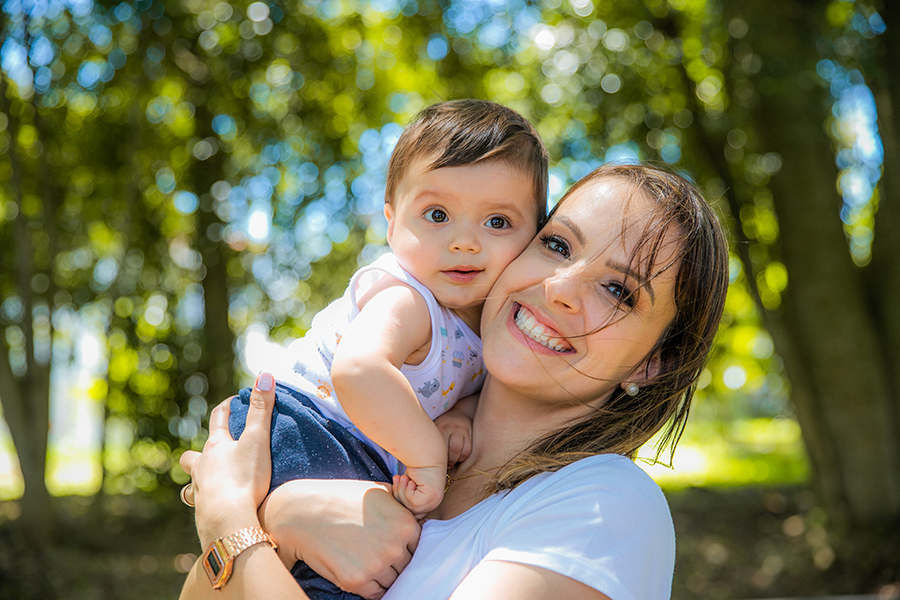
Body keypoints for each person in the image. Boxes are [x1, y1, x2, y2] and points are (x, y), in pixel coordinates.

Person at [179, 162, 729, 600]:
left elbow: (228, 549)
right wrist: (283, 520)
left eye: (618, 291)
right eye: (558, 245)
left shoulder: (604, 506)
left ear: (653, 362)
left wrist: (232, 516)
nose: (560, 287)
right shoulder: (395, 432)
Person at [229, 99, 547, 519]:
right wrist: (428, 452)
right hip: (302, 427)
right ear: (392, 223)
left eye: (497, 222)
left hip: (350, 448)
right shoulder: (407, 297)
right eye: (437, 214)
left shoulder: (495, 327)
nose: (464, 241)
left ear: (537, 234)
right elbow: (360, 370)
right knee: (341, 573)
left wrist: (460, 415)